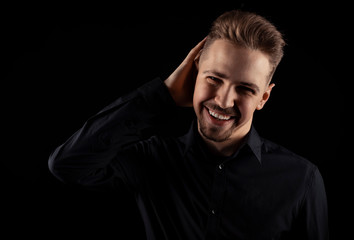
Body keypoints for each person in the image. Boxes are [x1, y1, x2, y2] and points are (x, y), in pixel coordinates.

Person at [48, 9, 329, 239]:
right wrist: (163, 95)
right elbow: (66, 165)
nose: (223, 100)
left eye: (245, 89)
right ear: (194, 73)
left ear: (263, 98)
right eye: (213, 79)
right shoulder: (152, 159)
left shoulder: (302, 180)